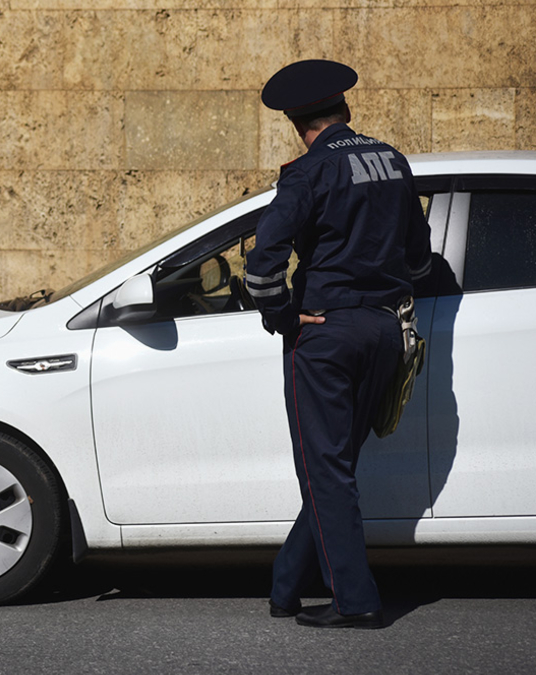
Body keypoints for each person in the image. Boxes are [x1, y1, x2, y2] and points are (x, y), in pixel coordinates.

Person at [246, 61, 432, 629]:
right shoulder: (393, 161)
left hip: (325, 333)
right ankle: (285, 586)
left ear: (295, 122)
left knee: (325, 470)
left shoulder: (307, 173)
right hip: (385, 328)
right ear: (345, 110)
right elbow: (419, 257)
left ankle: (356, 600)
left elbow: (261, 268)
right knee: (336, 467)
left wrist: (284, 317)